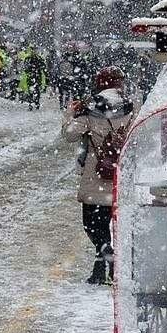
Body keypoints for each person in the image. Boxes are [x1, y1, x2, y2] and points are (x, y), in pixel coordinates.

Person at [61, 67, 135, 284]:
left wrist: (70, 113)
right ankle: (103, 267)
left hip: (95, 171)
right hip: (117, 172)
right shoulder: (129, 106)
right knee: (105, 222)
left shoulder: (91, 107)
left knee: (91, 224)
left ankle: (106, 260)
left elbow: (70, 135)